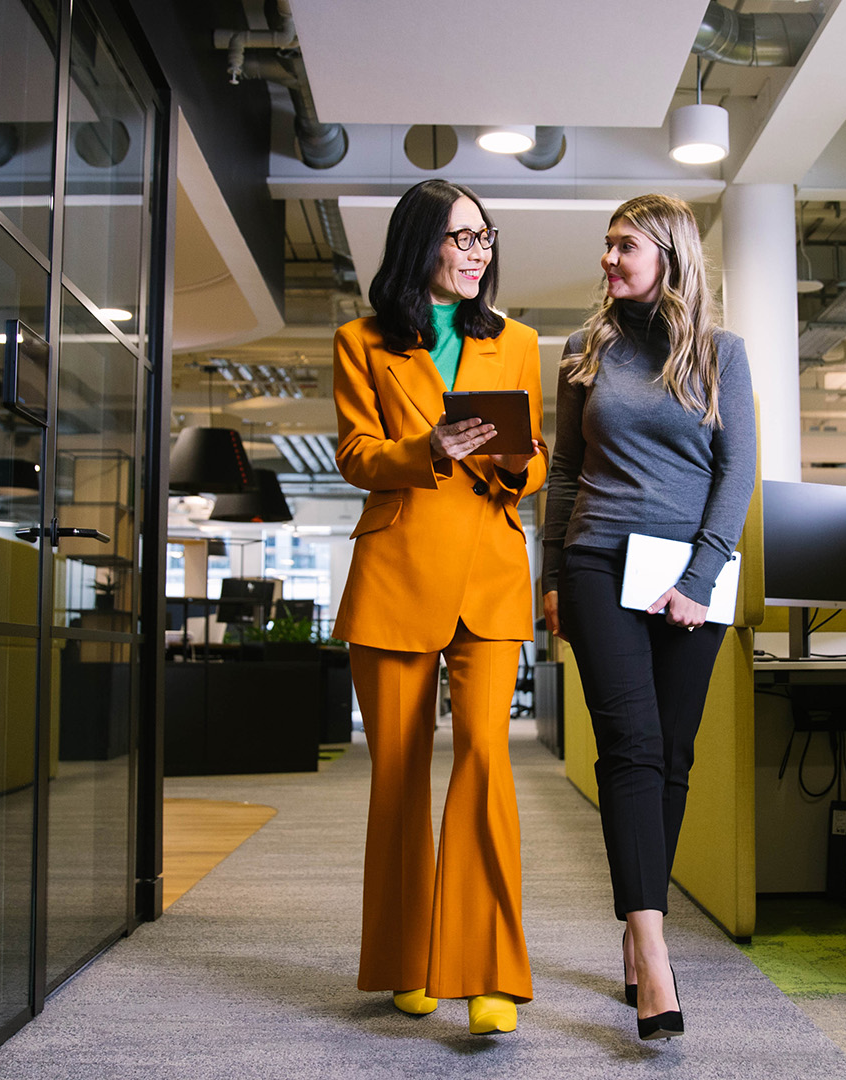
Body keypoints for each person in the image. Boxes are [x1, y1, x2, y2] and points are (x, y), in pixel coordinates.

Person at [331, 178, 548, 1035]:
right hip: (396, 573)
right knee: (396, 779)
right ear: (421, 245)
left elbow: (533, 464)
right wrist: (428, 448)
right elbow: (354, 453)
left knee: (487, 762)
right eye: (461, 239)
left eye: (484, 239)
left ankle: (488, 971)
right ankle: (405, 962)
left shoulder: (520, 341)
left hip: (490, 577)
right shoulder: (361, 341)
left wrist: (510, 463)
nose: (476, 253)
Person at [539, 193, 757, 1041]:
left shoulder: (720, 356)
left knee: (673, 754)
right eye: (605, 245)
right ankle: (653, 950)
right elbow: (563, 472)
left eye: (624, 245)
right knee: (629, 749)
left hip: (688, 578)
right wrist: (549, 577)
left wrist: (701, 576)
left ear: (669, 253)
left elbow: (735, 473)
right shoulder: (582, 350)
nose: (608, 259)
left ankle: (639, 930)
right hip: (598, 562)